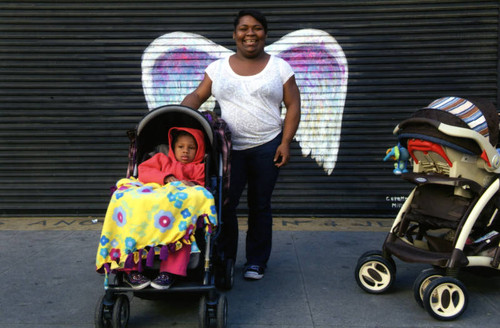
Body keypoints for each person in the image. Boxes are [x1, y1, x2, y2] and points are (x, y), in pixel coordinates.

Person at [181, 9, 301, 280]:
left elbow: (293, 105)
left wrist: (285, 142)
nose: (250, 34)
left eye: (257, 28)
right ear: (235, 34)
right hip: (226, 150)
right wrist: (180, 112)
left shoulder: (280, 67)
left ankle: (256, 262)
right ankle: (225, 259)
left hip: (267, 146)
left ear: (265, 34)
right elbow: (198, 95)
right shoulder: (218, 68)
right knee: (224, 205)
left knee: (260, 205)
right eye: (244, 28)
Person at [114, 127, 206, 290]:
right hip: (151, 213)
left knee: (182, 236)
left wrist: (192, 185)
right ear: (173, 147)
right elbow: (143, 171)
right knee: (132, 227)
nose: (185, 151)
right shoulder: (163, 160)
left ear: (198, 150)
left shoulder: (199, 168)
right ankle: (130, 271)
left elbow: (202, 189)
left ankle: (169, 272)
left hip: (178, 216)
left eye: (191, 148)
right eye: (181, 147)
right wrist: (164, 177)